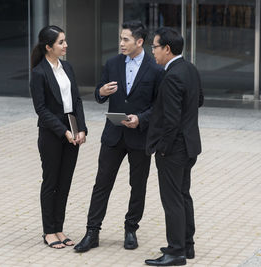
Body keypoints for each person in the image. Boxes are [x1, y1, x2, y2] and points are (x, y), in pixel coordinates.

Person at [74, 21, 164, 253]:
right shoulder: (112, 63)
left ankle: (131, 228)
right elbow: (99, 93)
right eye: (120, 39)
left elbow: (159, 105)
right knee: (102, 184)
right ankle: (92, 231)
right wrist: (100, 92)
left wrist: (141, 119)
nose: (121, 43)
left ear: (139, 42)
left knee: (138, 185)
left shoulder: (155, 69)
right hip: (113, 135)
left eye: (126, 39)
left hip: (140, 136)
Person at [144, 27, 203, 266]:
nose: (153, 52)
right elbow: (199, 100)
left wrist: (164, 148)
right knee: (182, 195)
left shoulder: (171, 76)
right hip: (190, 146)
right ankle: (187, 246)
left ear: (167, 49)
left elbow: (171, 120)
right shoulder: (190, 69)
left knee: (173, 200)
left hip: (174, 150)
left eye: (155, 47)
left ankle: (176, 251)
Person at [30, 25, 88, 249]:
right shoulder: (39, 73)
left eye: (65, 41)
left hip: (72, 128)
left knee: (65, 182)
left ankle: (59, 227)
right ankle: (48, 231)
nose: (66, 46)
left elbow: (77, 101)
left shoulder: (68, 68)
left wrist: (81, 128)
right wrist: (63, 131)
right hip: (52, 133)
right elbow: (41, 110)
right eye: (61, 42)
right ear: (48, 47)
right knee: (51, 181)